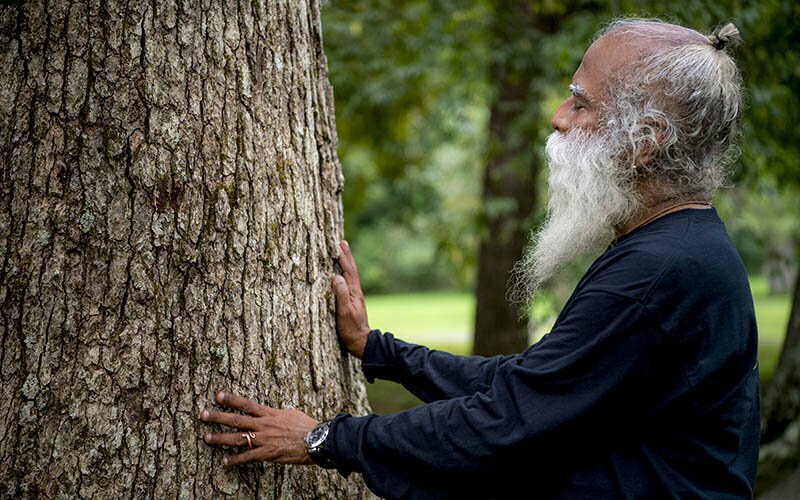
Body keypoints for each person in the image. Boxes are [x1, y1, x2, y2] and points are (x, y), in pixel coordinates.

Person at [199, 18, 760, 499]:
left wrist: (325, 439)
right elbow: (535, 383)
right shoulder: (675, 245)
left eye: (581, 102)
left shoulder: (661, 271)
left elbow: (508, 419)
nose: (557, 118)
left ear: (646, 140)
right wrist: (379, 351)